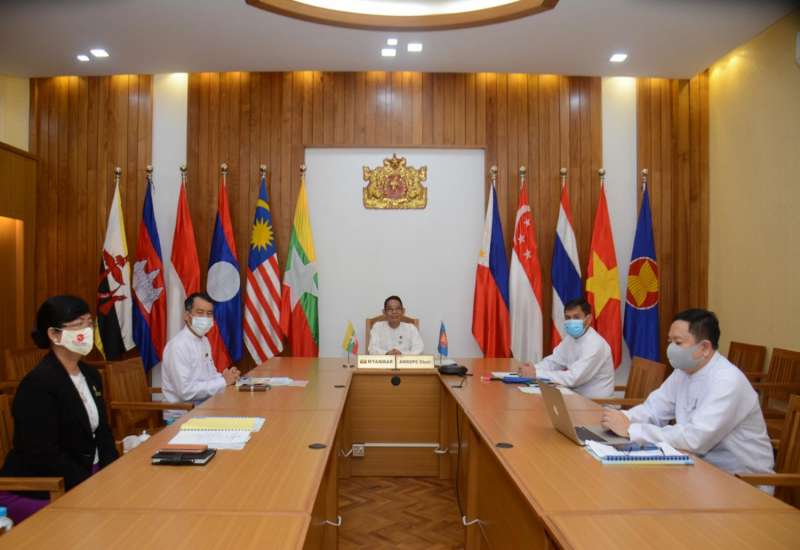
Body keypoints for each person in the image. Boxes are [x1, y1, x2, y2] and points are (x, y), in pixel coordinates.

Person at [601, 308, 774, 476]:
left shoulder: (728, 381)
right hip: (696, 466)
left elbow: (694, 439)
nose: (670, 348)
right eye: (670, 341)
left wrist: (632, 430)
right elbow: (654, 409)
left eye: (678, 343)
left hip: (741, 479)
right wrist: (623, 418)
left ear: (704, 348)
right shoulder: (684, 371)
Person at [0, 295, 118, 524]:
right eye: (79, 324)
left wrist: (113, 473)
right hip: (43, 485)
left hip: (86, 471)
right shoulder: (37, 384)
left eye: (89, 323)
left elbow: (103, 431)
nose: (87, 330)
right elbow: (42, 453)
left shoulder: (91, 374)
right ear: (54, 335)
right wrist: (91, 485)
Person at [161, 292, 240, 420]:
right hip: (182, 417)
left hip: (205, 408)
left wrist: (226, 376)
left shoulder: (204, 340)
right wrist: (223, 382)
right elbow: (185, 392)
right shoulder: (178, 346)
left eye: (209, 314)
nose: (205, 317)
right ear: (187, 316)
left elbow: (209, 376)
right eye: (200, 312)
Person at [529, 297, 614, 398]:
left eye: (576, 317)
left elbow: (574, 378)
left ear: (588, 319)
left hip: (596, 404)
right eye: (568, 318)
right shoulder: (571, 338)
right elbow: (554, 361)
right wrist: (533, 368)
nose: (571, 321)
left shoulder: (595, 344)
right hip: (575, 398)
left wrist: (536, 373)